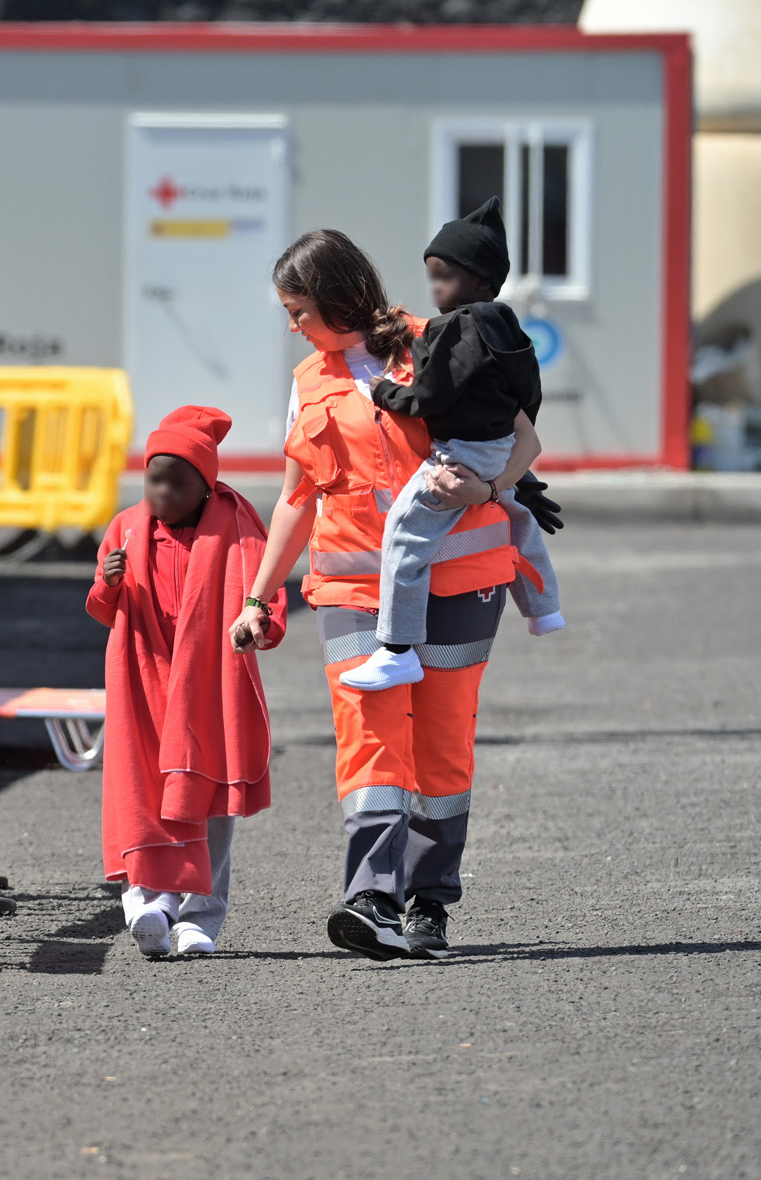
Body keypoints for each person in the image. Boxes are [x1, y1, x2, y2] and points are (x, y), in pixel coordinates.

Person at [230, 228, 559, 961]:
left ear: (339, 296)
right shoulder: (308, 381)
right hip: (350, 587)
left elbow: (522, 438)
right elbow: (296, 498)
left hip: (460, 579)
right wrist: (258, 598)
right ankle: (370, 896)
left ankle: (428, 904)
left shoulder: (437, 338)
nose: (293, 326)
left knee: (440, 746)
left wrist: (492, 487)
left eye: (299, 309)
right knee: (368, 733)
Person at [340, 197, 565, 693]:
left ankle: (397, 649)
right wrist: (513, 470)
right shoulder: (506, 326)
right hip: (497, 446)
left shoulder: (457, 326)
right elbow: (526, 397)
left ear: (480, 279)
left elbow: (431, 395)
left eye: (444, 276)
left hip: (459, 454)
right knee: (518, 519)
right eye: (432, 276)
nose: (435, 287)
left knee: (405, 531)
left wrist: (383, 390)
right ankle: (545, 611)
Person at [87, 406, 287, 958]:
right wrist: (107, 585)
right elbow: (103, 611)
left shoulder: (237, 526)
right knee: (146, 787)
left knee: (210, 793)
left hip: (209, 682)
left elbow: (267, 597)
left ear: (206, 487)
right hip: (143, 680)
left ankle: (200, 915)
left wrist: (258, 626)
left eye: (178, 482)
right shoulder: (126, 527)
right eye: (155, 479)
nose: (163, 492)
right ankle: (149, 899)